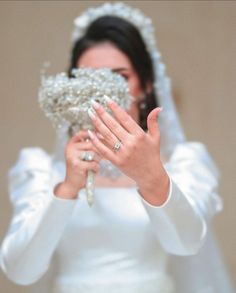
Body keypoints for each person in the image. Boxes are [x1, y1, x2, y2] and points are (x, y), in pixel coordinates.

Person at [0, 2, 234, 293]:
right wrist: (67, 189)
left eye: (119, 77)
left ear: (146, 84)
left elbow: (186, 244)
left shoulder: (183, 163)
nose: (100, 92)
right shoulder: (41, 169)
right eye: (87, 79)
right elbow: (20, 271)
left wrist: (151, 176)